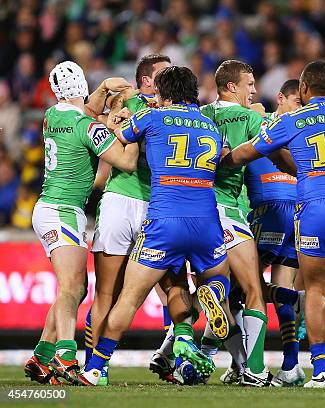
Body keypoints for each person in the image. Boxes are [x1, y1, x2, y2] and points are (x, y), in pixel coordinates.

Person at [220, 61, 325, 389]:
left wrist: (223, 160)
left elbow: (249, 151)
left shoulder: (293, 119)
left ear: (304, 89)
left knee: (317, 290)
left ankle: (321, 370)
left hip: (316, 208)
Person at [79, 66, 231, 385]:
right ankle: (202, 310)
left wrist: (115, 118)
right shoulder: (211, 125)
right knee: (196, 282)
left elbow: (121, 137)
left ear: (163, 93)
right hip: (206, 219)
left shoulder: (154, 116)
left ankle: (96, 367)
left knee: (130, 296)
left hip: (165, 220)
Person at [24, 61, 139, 385]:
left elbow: (85, 115)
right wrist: (133, 129)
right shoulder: (88, 127)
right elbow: (127, 162)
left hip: (49, 207)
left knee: (73, 288)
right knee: (73, 286)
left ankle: (42, 356)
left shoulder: (52, 116)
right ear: (84, 85)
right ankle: (65, 355)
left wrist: (104, 107)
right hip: (62, 211)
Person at [86, 54, 173, 386]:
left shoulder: (169, 109)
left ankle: (169, 354)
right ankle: (94, 364)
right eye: (164, 74)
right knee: (108, 291)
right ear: (146, 81)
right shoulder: (128, 101)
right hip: (122, 200)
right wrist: (105, 95)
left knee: (168, 285)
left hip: (157, 203)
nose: (172, 78)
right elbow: (88, 117)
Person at [199, 60, 276, 386]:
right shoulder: (248, 117)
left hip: (197, 212)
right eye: (249, 84)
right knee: (254, 291)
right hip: (228, 210)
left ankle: (222, 358)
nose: (254, 90)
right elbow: (275, 147)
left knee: (224, 292)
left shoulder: (201, 115)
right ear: (232, 86)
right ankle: (255, 370)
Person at [244, 79, 305, 386]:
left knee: (243, 287)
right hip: (292, 212)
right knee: (278, 291)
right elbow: (253, 107)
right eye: (296, 102)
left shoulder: (273, 124)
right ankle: (291, 365)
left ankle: (237, 360)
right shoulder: (264, 118)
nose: (300, 109)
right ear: (280, 98)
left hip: (274, 207)